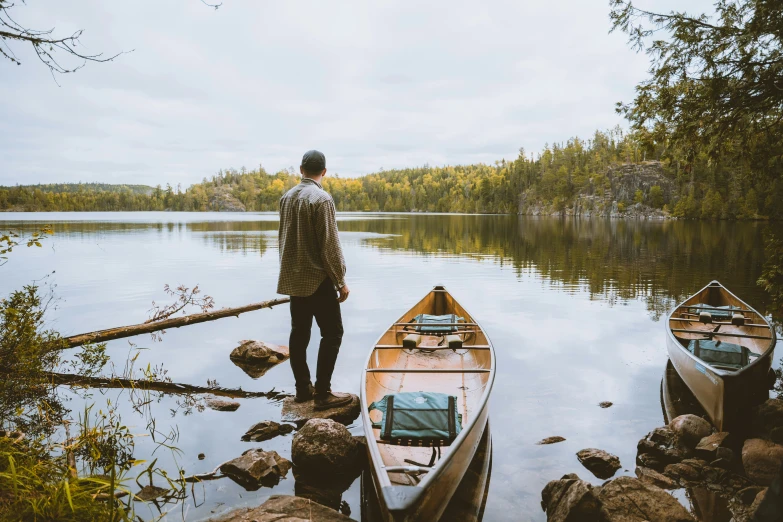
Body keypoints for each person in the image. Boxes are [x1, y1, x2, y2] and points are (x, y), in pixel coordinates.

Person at [277, 150, 352, 410]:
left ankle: (301, 389)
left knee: (299, 334)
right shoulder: (322, 199)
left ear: (301, 169)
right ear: (324, 172)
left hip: (294, 279)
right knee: (332, 334)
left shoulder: (286, 197)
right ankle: (322, 394)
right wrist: (340, 280)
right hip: (317, 279)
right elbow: (329, 246)